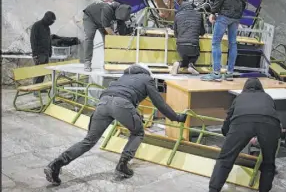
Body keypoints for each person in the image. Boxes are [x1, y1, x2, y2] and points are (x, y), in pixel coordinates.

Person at [44, 63, 187, 185]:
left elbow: (117, 94)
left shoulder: (124, 77)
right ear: (147, 73)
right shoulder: (147, 79)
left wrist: (133, 114)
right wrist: (177, 117)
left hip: (103, 103)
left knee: (88, 141)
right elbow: (160, 104)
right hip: (122, 104)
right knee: (138, 132)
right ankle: (123, 165)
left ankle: (56, 164)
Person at [192, 78, 281, 192]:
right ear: (261, 88)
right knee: (268, 163)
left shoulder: (239, 98)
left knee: (224, 159)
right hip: (270, 125)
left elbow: (227, 124)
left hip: (241, 123)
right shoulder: (268, 97)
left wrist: (230, 135)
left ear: (245, 88)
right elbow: (268, 118)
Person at [201, 0, 247, 82]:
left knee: (216, 42)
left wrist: (213, 11)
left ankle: (216, 73)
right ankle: (230, 73)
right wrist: (239, 12)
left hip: (225, 13)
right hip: (236, 15)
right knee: (233, 43)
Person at [82, 1, 131, 72]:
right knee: (89, 37)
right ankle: (87, 62)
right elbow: (107, 28)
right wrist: (116, 37)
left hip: (102, 20)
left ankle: (109, 60)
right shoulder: (107, 9)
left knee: (108, 39)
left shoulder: (121, 12)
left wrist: (124, 35)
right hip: (90, 18)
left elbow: (122, 30)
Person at [170, 1, 206, 76]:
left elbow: (176, 33)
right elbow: (202, 32)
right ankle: (191, 65)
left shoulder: (178, 15)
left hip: (180, 46)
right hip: (193, 44)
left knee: (185, 58)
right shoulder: (199, 15)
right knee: (195, 54)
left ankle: (178, 64)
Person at [30, 11, 56, 90]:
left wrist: (50, 51)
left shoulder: (47, 28)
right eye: (51, 21)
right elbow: (33, 40)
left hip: (46, 53)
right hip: (39, 53)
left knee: (43, 72)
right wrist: (35, 54)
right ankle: (35, 90)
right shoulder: (36, 26)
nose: (52, 23)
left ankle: (39, 89)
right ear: (47, 19)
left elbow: (49, 40)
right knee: (38, 72)